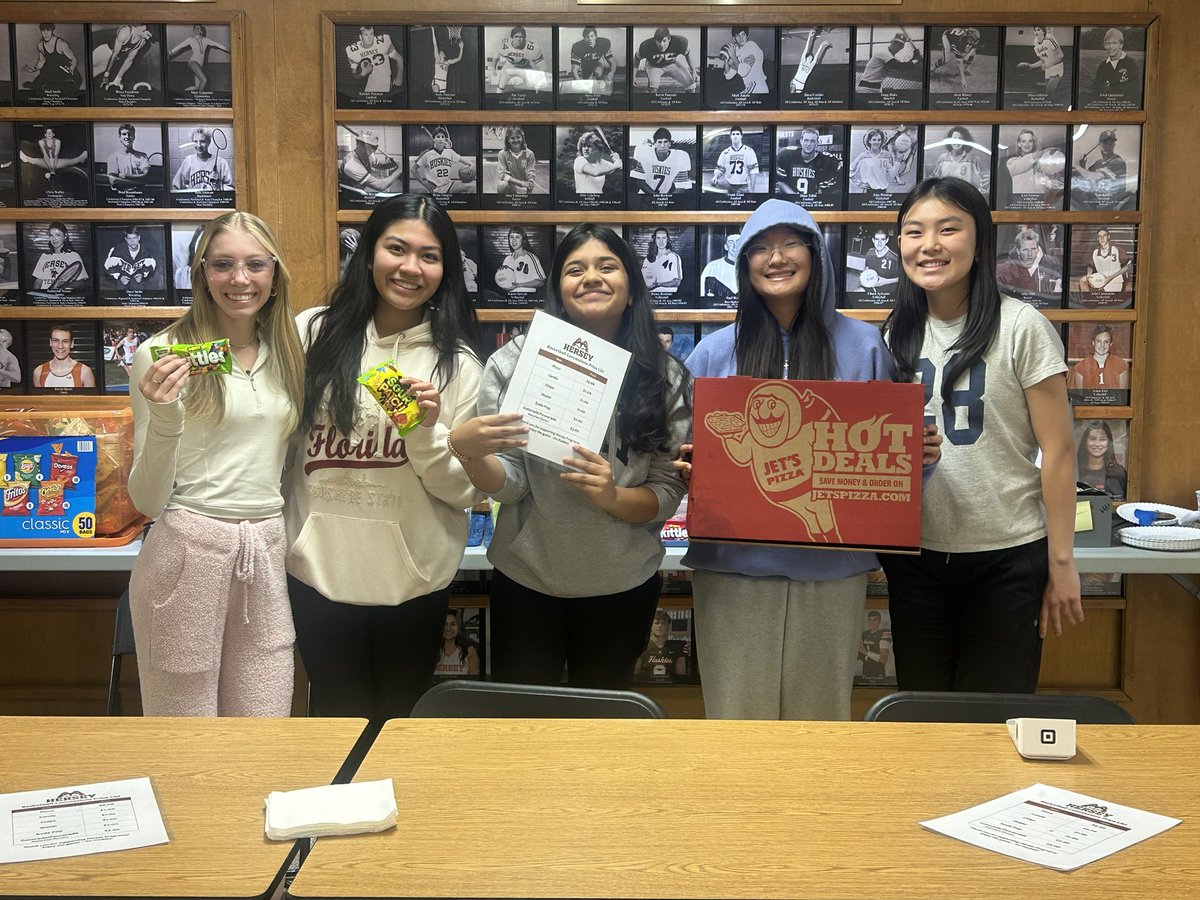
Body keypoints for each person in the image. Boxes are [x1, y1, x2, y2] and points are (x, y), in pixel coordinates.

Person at [681, 198, 941, 720]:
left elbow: (890, 464)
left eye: (790, 243)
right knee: (735, 725)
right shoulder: (713, 353)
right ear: (743, 263)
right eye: (760, 248)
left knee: (820, 724)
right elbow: (680, 452)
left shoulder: (865, 345)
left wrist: (921, 457)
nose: (776, 258)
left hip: (832, 569)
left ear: (816, 253)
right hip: (732, 572)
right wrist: (684, 463)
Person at [448, 223, 691, 689]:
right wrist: (471, 453)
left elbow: (666, 488)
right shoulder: (513, 364)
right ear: (557, 290)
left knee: (602, 731)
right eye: (575, 269)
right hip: (527, 579)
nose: (591, 278)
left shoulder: (667, 378)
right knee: (522, 728)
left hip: (622, 584)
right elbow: (512, 480)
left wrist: (613, 496)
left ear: (633, 287)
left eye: (608, 266)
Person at [285, 194, 484, 727]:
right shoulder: (312, 333)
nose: (410, 268)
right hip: (317, 571)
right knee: (338, 725)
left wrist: (422, 431)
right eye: (397, 248)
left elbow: (464, 490)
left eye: (429, 255)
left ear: (447, 270)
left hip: (414, 581)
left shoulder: (459, 365)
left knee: (398, 729)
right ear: (370, 252)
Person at [882, 176, 1081, 694]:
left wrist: (1062, 564)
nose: (929, 245)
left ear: (979, 240)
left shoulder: (1022, 326)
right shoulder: (892, 332)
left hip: (1008, 556)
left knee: (993, 722)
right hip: (916, 559)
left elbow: (1058, 453)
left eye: (948, 229)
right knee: (922, 717)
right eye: (913, 232)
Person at [127, 212, 306, 716]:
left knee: (263, 730)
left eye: (254, 264)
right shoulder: (162, 353)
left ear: (274, 273)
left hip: (265, 552)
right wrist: (166, 417)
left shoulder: (290, 351)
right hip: (187, 551)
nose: (240, 279)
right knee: (185, 742)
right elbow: (147, 500)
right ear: (202, 272)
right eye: (223, 264)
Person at [996, 227, 1062, 303]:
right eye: (1025, 250)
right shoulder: (1004, 271)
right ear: (1018, 251)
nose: (1030, 254)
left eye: (1033, 249)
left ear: (1038, 249)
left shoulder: (1052, 264)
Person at [775, 127, 842, 198]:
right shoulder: (787, 155)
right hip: (791, 201)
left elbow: (823, 193)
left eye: (812, 141)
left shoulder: (827, 160)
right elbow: (781, 182)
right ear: (801, 141)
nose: (809, 144)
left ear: (817, 143)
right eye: (806, 140)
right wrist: (796, 198)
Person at [631, 127, 691, 201]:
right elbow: (640, 182)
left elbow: (681, 187)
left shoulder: (680, 157)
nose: (662, 145)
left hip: (666, 198)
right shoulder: (645, 154)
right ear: (654, 144)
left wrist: (666, 199)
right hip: (645, 197)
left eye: (665, 142)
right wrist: (656, 197)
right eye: (659, 142)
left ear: (670, 144)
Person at [1072, 131, 1129, 210]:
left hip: (1111, 206)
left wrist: (1077, 167)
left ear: (1114, 145)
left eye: (1111, 143)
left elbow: (1095, 176)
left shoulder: (1117, 162)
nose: (1108, 146)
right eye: (1105, 143)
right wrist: (1083, 166)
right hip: (1095, 205)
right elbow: (1088, 181)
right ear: (1099, 145)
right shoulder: (1098, 163)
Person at [340, 129, 403, 196]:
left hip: (358, 190)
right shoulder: (351, 165)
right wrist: (399, 170)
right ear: (357, 143)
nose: (364, 147)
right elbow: (381, 186)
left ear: (375, 148)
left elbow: (380, 166)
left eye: (368, 145)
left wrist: (390, 165)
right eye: (362, 143)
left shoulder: (370, 155)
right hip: (348, 195)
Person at [168, 24, 229, 93]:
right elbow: (180, 46)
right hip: (193, 62)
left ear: (201, 31)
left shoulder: (206, 40)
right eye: (195, 29)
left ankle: (182, 93)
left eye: (198, 28)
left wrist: (227, 49)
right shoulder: (190, 39)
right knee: (204, 80)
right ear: (193, 31)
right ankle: (199, 98)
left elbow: (217, 44)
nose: (196, 30)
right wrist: (170, 52)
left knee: (197, 86)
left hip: (200, 65)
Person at [412, 127, 473, 195]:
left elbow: (465, 161)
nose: (440, 139)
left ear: (445, 140)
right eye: (438, 137)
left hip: (448, 186)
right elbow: (413, 169)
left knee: (471, 188)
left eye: (442, 137)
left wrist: (472, 166)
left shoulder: (450, 152)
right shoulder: (427, 154)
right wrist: (424, 183)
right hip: (435, 189)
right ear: (433, 139)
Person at [344, 24, 403, 95]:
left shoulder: (383, 42)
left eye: (371, 34)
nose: (369, 37)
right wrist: (362, 74)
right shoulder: (353, 50)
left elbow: (399, 58)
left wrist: (399, 78)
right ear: (360, 37)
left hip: (384, 78)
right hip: (370, 82)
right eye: (366, 34)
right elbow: (353, 74)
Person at [856, 32, 922, 95]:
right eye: (895, 43)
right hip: (865, 88)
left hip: (877, 89)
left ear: (902, 47)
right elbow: (899, 66)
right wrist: (916, 59)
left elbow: (906, 67)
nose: (896, 46)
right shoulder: (883, 53)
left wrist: (916, 59)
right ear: (891, 43)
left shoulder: (894, 58)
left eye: (899, 44)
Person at [634, 27, 697, 92]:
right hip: (653, 65)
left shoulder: (679, 42)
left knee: (691, 85)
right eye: (658, 41)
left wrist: (694, 72)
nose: (661, 44)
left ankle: (690, 101)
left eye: (664, 41)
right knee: (653, 88)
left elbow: (688, 54)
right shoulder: (646, 45)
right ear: (655, 40)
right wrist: (633, 77)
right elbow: (637, 58)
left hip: (671, 64)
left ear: (669, 39)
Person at [171, 127, 234, 193]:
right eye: (195, 141)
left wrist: (219, 185)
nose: (199, 145)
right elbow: (176, 187)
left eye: (202, 141)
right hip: (193, 201)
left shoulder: (221, 162)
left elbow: (231, 189)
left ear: (209, 142)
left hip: (214, 202)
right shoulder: (188, 161)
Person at [1004, 129, 1064, 197]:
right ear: (1019, 144)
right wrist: (1042, 152)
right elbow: (1023, 163)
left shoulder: (1041, 162)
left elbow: (1050, 184)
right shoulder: (1012, 162)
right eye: (1023, 141)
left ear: (1033, 143)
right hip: (1021, 203)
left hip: (1038, 202)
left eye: (1030, 141)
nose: (1027, 144)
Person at [1088, 28, 1140, 106]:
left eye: (1114, 43)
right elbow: (1095, 89)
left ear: (1121, 45)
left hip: (1126, 107)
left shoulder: (1131, 63)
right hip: (1107, 106)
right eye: (1108, 43)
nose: (1111, 47)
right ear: (1104, 46)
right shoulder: (1103, 66)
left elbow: (1135, 92)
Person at [928, 126, 988, 194]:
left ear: (965, 141)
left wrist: (979, 193)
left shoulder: (974, 159)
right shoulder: (942, 159)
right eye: (954, 138)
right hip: (947, 198)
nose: (956, 141)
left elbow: (987, 177)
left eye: (960, 139)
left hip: (967, 199)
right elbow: (933, 179)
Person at [32, 325, 95, 389]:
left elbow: (91, 399)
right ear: (50, 342)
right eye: (56, 341)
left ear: (72, 343)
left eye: (65, 341)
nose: (60, 346)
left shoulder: (85, 372)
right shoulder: (39, 372)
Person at [1076, 420, 1127, 499]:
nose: (1097, 444)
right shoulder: (1076, 472)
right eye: (1093, 439)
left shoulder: (1118, 474)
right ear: (1085, 442)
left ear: (1108, 443)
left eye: (1102, 439)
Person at [22, 24, 80, 92]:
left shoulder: (61, 43)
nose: (46, 33)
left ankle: (48, 86)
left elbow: (74, 59)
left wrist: (71, 69)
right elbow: (42, 60)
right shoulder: (40, 45)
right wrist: (34, 69)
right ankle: (44, 86)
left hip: (64, 71)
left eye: (48, 30)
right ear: (41, 32)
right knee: (37, 86)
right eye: (43, 30)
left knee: (66, 87)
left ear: (52, 31)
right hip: (51, 72)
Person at [96, 24, 155, 91]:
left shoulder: (142, 42)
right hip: (104, 51)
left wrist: (118, 79)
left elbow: (129, 60)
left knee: (100, 78)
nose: (148, 38)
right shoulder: (125, 32)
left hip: (115, 58)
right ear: (143, 29)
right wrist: (106, 74)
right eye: (148, 35)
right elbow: (115, 54)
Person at [1071, 325, 1129, 392]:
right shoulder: (1080, 367)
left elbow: (1122, 395)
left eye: (1106, 341)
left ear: (1111, 344)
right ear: (1093, 342)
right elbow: (1080, 396)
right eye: (1099, 341)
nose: (1102, 345)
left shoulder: (1121, 365)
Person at [32, 222, 89, 290]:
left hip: (64, 298)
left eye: (58, 235)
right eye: (51, 235)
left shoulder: (74, 256)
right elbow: (38, 281)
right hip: (45, 298)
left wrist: (63, 284)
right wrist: (35, 297)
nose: (54, 238)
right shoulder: (44, 256)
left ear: (65, 236)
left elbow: (81, 283)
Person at [1016, 26, 1066, 104]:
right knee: (1049, 94)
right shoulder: (1036, 46)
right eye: (1035, 30)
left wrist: (1049, 64)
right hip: (1048, 70)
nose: (1036, 32)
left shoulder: (1049, 39)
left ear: (1043, 32)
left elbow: (1061, 55)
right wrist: (1031, 66)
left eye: (1038, 30)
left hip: (1057, 67)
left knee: (1048, 93)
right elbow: (1043, 61)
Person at [491, 26, 548, 92]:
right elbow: (496, 56)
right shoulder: (503, 45)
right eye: (516, 36)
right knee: (501, 85)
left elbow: (543, 68)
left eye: (521, 37)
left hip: (525, 67)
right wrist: (493, 67)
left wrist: (539, 79)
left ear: (525, 38)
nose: (519, 39)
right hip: (510, 65)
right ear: (512, 38)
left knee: (536, 87)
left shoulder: (532, 48)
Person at [635, 609, 689, 679]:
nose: (660, 626)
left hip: (671, 688)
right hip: (646, 686)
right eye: (656, 623)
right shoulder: (642, 645)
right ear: (651, 626)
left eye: (663, 623)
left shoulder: (678, 646)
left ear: (668, 626)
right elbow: (635, 675)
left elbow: (681, 677)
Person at [19, 126, 88, 176]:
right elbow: (45, 155)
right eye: (47, 133)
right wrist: (52, 170)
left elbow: (56, 155)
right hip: (46, 160)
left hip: (55, 160)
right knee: (46, 160)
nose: (49, 134)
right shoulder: (41, 142)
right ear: (45, 135)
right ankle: (79, 159)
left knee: (54, 160)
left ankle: (27, 159)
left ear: (53, 134)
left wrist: (53, 169)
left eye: (50, 133)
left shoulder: (57, 141)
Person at [718, 27, 768, 95]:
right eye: (738, 35)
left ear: (747, 36)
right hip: (751, 87)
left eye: (743, 34)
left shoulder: (751, 46)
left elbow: (743, 71)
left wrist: (733, 56)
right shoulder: (738, 52)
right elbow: (728, 75)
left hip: (757, 87)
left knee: (734, 101)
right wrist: (726, 59)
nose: (741, 38)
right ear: (734, 39)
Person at [709, 126, 759, 193]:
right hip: (729, 185)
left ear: (741, 136)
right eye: (733, 134)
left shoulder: (749, 151)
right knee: (713, 185)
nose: (735, 136)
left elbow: (753, 171)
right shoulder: (725, 153)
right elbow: (720, 169)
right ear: (730, 136)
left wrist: (752, 189)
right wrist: (715, 177)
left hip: (743, 185)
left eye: (737, 134)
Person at [497, 226, 546, 293]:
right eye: (511, 237)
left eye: (517, 237)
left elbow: (541, 282)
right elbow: (504, 283)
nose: (514, 240)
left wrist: (519, 285)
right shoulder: (507, 259)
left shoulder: (531, 257)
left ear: (523, 240)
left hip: (528, 298)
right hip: (511, 299)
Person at [573, 129, 622, 195]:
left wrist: (617, 159)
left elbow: (615, 168)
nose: (586, 149)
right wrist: (615, 165)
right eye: (584, 146)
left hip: (598, 199)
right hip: (583, 200)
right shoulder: (579, 160)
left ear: (597, 149)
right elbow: (595, 172)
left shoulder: (601, 162)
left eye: (589, 146)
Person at [1083, 227, 1129, 295]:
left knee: (1104, 298)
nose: (1102, 238)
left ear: (1108, 237)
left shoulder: (1117, 249)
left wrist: (1111, 277)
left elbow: (1128, 266)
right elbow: (1090, 266)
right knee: (1083, 281)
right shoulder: (1095, 252)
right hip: (1101, 280)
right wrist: (1089, 274)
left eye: (1104, 235)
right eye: (1099, 236)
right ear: (1097, 239)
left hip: (1115, 281)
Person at [495, 126, 540, 196]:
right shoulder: (502, 154)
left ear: (522, 138)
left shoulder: (529, 153)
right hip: (510, 185)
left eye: (518, 137)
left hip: (525, 186)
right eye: (512, 138)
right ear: (508, 140)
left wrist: (530, 183)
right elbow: (502, 175)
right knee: (502, 185)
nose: (516, 140)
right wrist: (520, 183)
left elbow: (531, 171)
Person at [933, 26, 981, 91]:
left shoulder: (975, 38)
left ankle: (966, 69)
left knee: (972, 53)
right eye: (971, 40)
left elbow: (974, 47)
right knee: (946, 60)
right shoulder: (959, 41)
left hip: (958, 36)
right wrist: (963, 79)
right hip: (947, 36)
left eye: (973, 40)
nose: (972, 42)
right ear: (966, 37)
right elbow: (959, 62)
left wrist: (968, 55)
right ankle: (932, 68)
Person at [435, 610, 481, 677]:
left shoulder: (470, 651)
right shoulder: (431, 650)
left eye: (453, 624)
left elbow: (473, 682)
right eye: (445, 624)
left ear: (459, 626)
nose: (448, 629)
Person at [641, 228, 682, 294]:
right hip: (651, 298)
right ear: (655, 240)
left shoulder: (674, 257)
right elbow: (643, 279)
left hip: (670, 298)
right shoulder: (648, 259)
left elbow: (677, 282)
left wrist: (658, 284)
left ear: (667, 239)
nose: (661, 241)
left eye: (664, 238)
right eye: (658, 238)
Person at [700, 232, 738, 301]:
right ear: (726, 247)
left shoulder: (752, 267)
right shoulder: (712, 267)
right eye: (731, 242)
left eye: (738, 242)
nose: (735, 246)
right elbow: (702, 296)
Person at [857, 610, 891, 679]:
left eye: (875, 620)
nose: (871, 622)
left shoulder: (884, 633)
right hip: (865, 674)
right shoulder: (864, 634)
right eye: (870, 620)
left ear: (879, 621)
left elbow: (883, 659)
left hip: (878, 675)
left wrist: (865, 652)